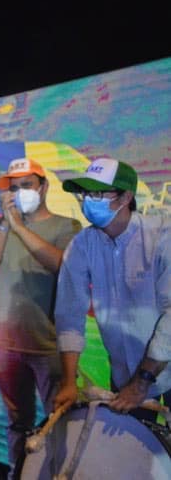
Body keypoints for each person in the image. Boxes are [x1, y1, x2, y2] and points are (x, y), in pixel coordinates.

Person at [0, 157, 81, 474]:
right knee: (18, 423)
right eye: (13, 188)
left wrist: (20, 228)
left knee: (59, 420)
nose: (19, 193)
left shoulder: (66, 226)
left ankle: (58, 473)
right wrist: (5, 223)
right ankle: (19, 471)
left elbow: (61, 265)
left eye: (27, 185)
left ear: (44, 187)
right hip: (5, 347)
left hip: (46, 345)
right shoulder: (5, 226)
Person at [55, 158, 171, 418]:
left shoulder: (162, 235)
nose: (88, 201)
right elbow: (69, 314)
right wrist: (69, 381)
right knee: (133, 443)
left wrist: (141, 383)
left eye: (97, 193)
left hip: (157, 369)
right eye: (85, 194)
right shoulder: (81, 245)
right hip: (124, 376)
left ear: (126, 197)